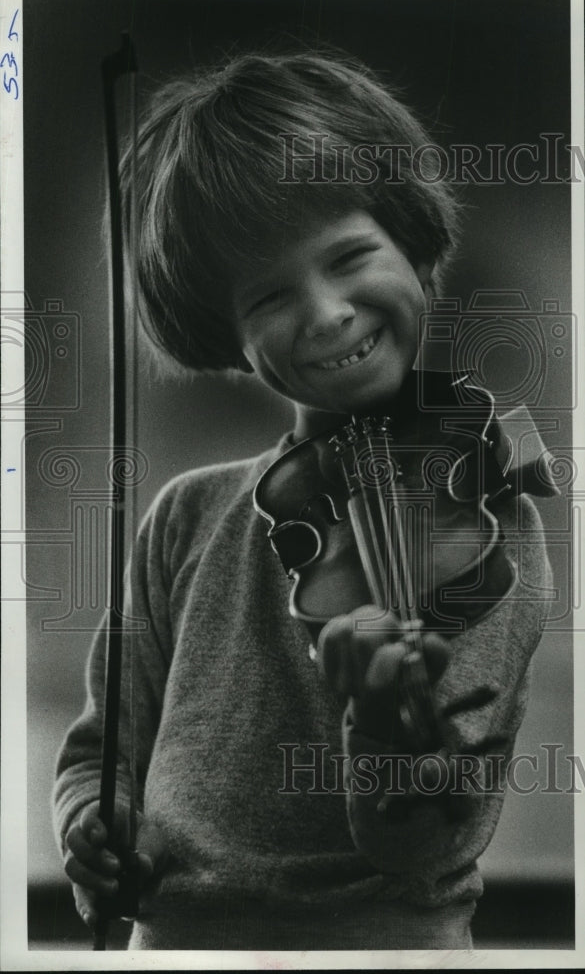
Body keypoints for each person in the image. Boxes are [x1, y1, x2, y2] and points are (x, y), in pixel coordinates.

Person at [53, 50, 552, 951]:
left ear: (414, 244)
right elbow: (102, 752)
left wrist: (387, 725)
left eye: (350, 255)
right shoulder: (184, 516)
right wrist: (96, 821)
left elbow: (424, 846)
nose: (324, 314)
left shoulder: (483, 510)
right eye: (270, 296)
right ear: (225, 336)